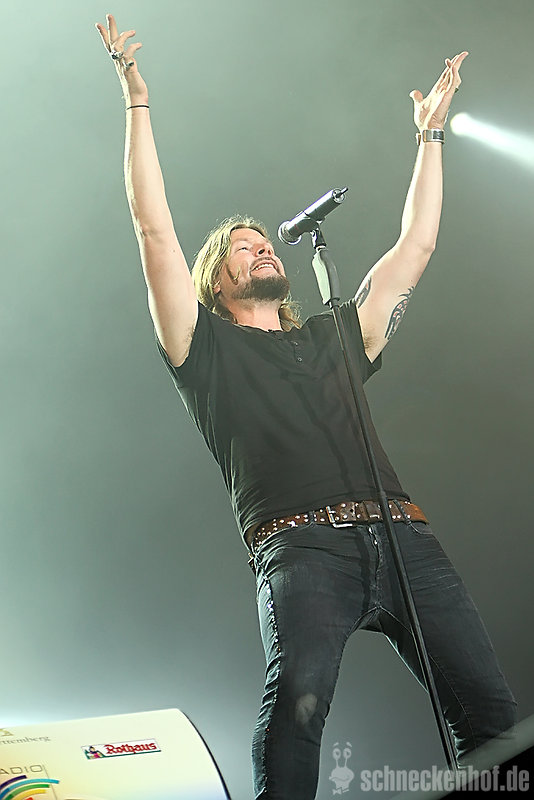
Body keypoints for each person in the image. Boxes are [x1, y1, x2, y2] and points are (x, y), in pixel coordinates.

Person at [96, 14, 517, 800]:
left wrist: (430, 137)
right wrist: (136, 101)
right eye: (242, 245)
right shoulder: (203, 349)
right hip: (302, 550)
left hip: (405, 538)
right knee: (297, 705)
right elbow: (152, 228)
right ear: (214, 280)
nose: (262, 246)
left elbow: (415, 249)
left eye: (266, 241)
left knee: (493, 718)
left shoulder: (334, 337)